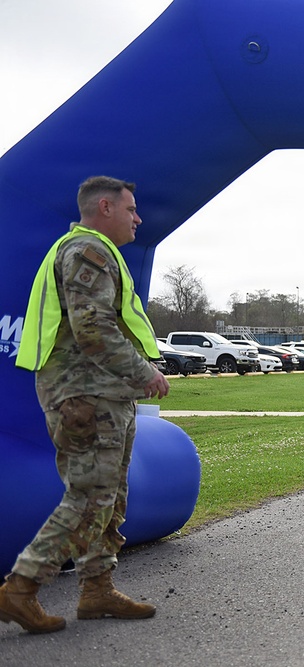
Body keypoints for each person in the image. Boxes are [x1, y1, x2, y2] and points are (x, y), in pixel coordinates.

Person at [0, 176, 170, 634]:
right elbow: (93, 329)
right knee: (89, 497)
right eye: (131, 209)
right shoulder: (86, 253)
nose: (138, 218)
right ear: (104, 207)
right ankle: (21, 587)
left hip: (103, 393)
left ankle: (97, 590)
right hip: (85, 394)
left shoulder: (95, 253)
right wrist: (144, 373)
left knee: (108, 497)